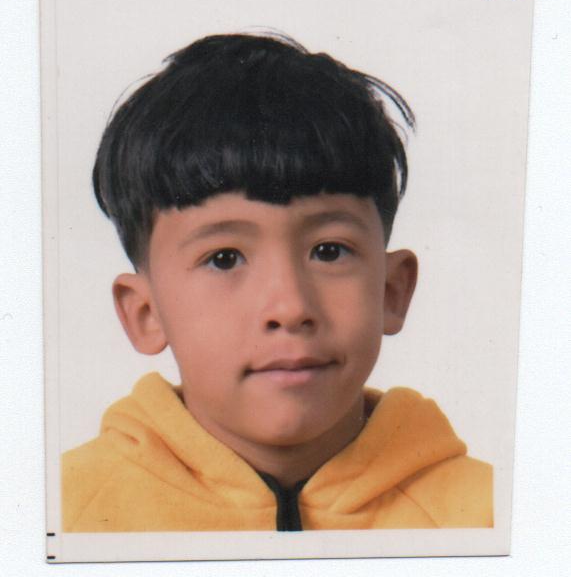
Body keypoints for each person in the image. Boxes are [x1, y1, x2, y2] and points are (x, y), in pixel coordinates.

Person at [62, 33, 493, 532]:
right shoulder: (63, 516)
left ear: (392, 291)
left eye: (329, 251)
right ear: (145, 313)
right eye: (224, 259)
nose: (289, 308)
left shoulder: (491, 517)